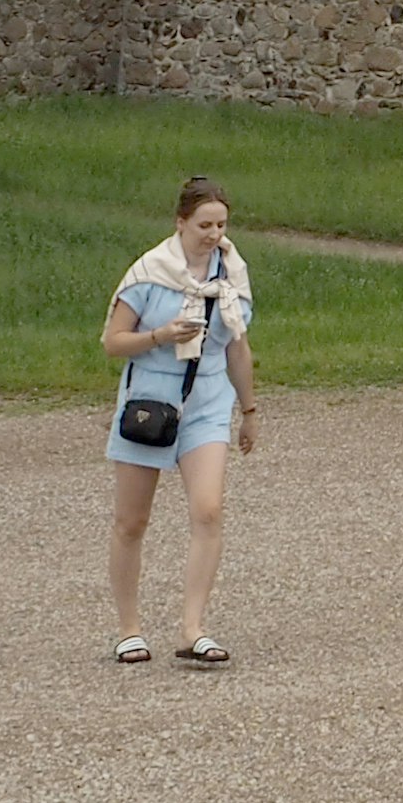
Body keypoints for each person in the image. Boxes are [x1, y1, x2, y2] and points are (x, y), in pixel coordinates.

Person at [104, 174, 258, 667]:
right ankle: (129, 629)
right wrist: (161, 335)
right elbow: (112, 342)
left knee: (209, 510)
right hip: (150, 399)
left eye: (221, 225)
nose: (214, 234)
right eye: (204, 225)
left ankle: (194, 628)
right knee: (132, 521)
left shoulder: (231, 276)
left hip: (208, 399)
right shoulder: (150, 273)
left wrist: (249, 410)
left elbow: (238, 347)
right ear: (181, 223)